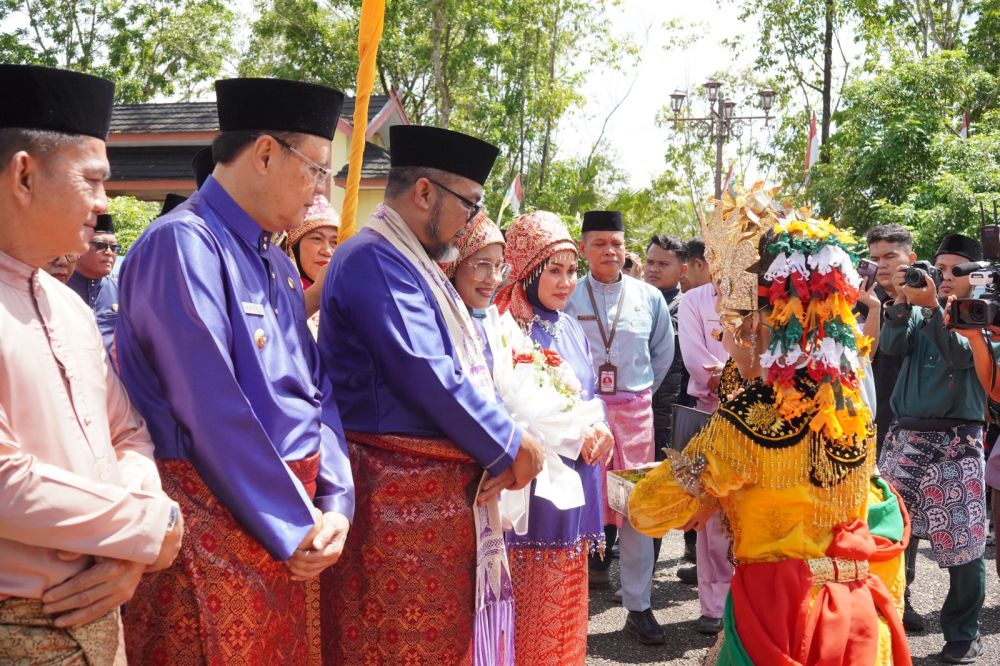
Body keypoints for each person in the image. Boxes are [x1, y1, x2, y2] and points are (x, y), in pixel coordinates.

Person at [116, 77, 355, 664]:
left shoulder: (274, 258)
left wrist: (336, 502)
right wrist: (294, 521)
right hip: (216, 524)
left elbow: (315, 388)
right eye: (318, 169)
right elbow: (212, 406)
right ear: (267, 152)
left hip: (291, 528)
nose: (321, 191)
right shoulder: (182, 245)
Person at [628, 189, 910, 665]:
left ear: (757, 325)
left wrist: (687, 488)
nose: (722, 337)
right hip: (857, 617)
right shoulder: (849, 406)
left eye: (729, 324)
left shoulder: (749, 419)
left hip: (779, 617)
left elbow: (649, 510)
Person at [318, 124, 545, 665]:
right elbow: (427, 370)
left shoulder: (411, 260)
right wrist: (512, 442)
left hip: (426, 500)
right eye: (468, 203)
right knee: (397, 650)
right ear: (424, 192)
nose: (471, 220)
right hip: (395, 498)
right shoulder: (374, 258)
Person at [0, 63, 183, 664]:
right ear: (24, 174)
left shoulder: (69, 308)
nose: (105, 204)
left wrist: (127, 546)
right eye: (94, 180)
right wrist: (146, 528)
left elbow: (127, 434)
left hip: (101, 609)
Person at [491, 210, 613, 664]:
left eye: (570, 271)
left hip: (576, 481)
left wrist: (600, 426)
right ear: (525, 269)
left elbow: (589, 392)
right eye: (554, 271)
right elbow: (507, 405)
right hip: (533, 492)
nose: (565, 283)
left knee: (565, 607)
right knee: (526, 610)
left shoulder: (569, 328)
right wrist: (568, 433)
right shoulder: (504, 325)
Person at [877, 232, 991, 664]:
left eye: (951, 270)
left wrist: (930, 311)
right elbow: (892, 347)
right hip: (905, 436)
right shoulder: (924, 305)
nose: (941, 277)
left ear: (974, 275)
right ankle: (887, 614)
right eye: (937, 267)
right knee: (890, 533)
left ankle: (963, 633)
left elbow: (964, 356)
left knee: (963, 544)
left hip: (955, 441)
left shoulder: (985, 312)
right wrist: (902, 305)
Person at [564, 209, 674, 645]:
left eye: (616, 243)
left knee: (636, 513)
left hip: (635, 419)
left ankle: (639, 606)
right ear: (584, 248)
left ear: (625, 247)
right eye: (599, 243)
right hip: (584, 418)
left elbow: (662, 354)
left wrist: (634, 394)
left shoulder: (648, 297)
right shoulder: (569, 296)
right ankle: (569, 607)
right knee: (576, 506)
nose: (610, 251)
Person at [863, 223, 926, 632]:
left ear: (910, 258)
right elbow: (861, 357)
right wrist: (870, 308)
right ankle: (879, 599)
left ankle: (903, 597)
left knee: (910, 521)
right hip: (873, 425)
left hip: (917, 423)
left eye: (891, 256)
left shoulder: (927, 302)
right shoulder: (860, 303)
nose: (883, 265)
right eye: (877, 257)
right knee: (879, 516)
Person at [644, 234, 696, 565]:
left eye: (663, 264)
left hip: (671, 411)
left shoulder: (684, 307)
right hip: (637, 411)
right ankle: (605, 564)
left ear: (683, 269)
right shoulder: (633, 299)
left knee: (665, 489)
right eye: (650, 262)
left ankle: (688, 550)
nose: (653, 269)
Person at [284, 194, 340, 337]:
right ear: (294, 248)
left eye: (335, 242)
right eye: (317, 239)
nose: (327, 251)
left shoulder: (343, 294)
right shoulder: (279, 290)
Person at [67, 212, 119, 355]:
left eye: (114, 248)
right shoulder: (59, 289)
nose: (109, 252)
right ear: (80, 247)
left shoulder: (123, 291)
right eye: (101, 245)